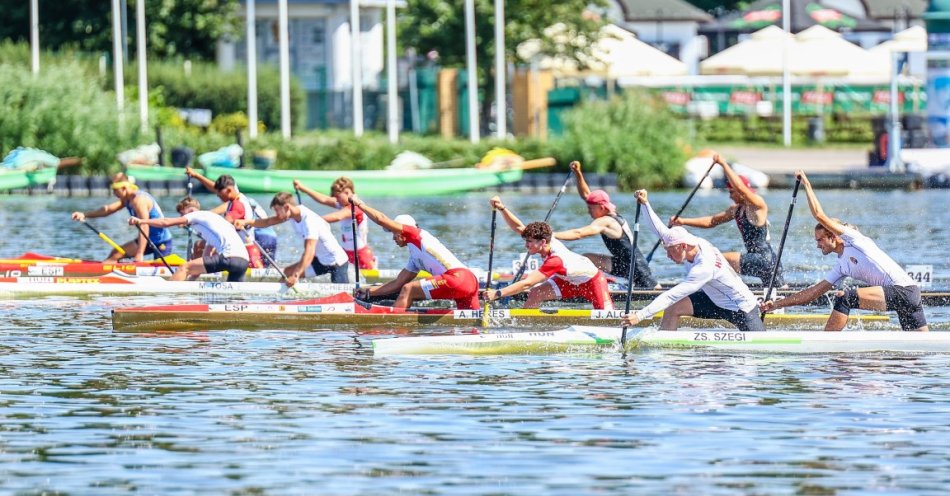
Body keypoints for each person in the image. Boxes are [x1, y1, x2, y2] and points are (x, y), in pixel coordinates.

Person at [761, 171, 928, 332]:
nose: (818, 245)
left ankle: (826, 345)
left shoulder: (854, 239)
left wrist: (807, 184)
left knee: (845, 297)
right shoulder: (841, 266)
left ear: (833, 236)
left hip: (903, 291)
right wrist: (776, 304)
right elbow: (812, 293)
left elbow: (819, 215)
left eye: (820, 240)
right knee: (917, 356)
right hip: (908, 296)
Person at [621, 190, 764, 332]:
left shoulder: (703, 266)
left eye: (669, 250)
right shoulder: (688, 243)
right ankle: (666, 348)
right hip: (713, 299)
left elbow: (671, 295)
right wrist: (645, 203)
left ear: (682, 246)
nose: (668, 256)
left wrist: (640, 316)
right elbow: (658, 229)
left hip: (741, 307)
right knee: (673, 307)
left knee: (760, 348)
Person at [482, 196, 614, 310]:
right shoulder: (545, 241)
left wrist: (498, 293)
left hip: (592, 281)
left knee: (608, 316)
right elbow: (519, 227)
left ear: (543, 242)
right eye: (526, 240)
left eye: (529, 242)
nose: (526, 245)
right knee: (536, 293)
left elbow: (527, 283)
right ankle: (525, 324)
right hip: (567, 280)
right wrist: (501, 208)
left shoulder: (555, 260)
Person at [671, 154, 784, 286]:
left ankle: (719, 289)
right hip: (757, 260)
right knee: (777, 289)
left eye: (731, 192)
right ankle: (726, 289)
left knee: (714, 259)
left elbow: (741, 188)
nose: (730, 196)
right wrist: (683, 221)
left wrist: (723, 164)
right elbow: (711, 221)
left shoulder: (757, 206)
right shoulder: (735, 210)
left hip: (764, 260)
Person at [348, 196, 479, 309]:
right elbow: (397, 284)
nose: (393, 237)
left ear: (402, 230)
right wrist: (369, 291)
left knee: (409, 289)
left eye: (394, 232)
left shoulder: (417, 235)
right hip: (469, 281)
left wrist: (360, 205)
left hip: (457, 278)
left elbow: (381, 219)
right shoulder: (414, 257)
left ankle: (394, 326)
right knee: (471, 322)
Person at [553, 161, 658, 288]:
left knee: (585, 259)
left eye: (591, 208)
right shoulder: (608, 213)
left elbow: (578, 234)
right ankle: (580, 284)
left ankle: (585, 285)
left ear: (602, 207)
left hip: (638, 272)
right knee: (587, 258)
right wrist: (578, 173)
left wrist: (551, 235)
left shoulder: (607, 222)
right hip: (623, 264)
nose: (588, 211)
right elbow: (587, 195)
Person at [235, 192, 349, 286]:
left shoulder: (309, 221)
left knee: (343, 298)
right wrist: (245, 222)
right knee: (287, 273)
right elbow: (267, 221)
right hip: (320, 261)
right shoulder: (292, 214)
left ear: (287, 207)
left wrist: (296, 275)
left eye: (277, 211)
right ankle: (276, 301)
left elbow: (309, 252)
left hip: (336, 262)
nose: (277, 215)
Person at [129, 197, 249, 282]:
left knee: (184, 267)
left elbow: (166, 222)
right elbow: (204, 260)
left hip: (229, 257)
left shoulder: (196, 215)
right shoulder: (213, 222)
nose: (182, 218)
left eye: (182, 214)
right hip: (243, 261)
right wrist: (189, 283)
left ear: (190, 211)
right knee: (233, 297)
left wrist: (141, 221)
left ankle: (165, 298)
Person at [70, 172, 173, 262]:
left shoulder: (139, 200)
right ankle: (101, 277)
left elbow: (144, 226)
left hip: (161, 241)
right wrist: (84, 215)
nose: (114, 193)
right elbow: (107, 210)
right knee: (116, 254)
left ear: (124, 188)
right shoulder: (126, 199)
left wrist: (140, 253)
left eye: (115, 190)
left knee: (160, 269)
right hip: (147, 239)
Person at [185, 167, 276, 265]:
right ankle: (198, 270)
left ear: (229, 190)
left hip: (261, 236)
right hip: (251, 238)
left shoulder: (237, 205)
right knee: (201, 245)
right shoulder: (233, 196)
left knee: (203, 246)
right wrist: (196, 175)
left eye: (219, 194)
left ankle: (196, 270)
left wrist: (193, 220)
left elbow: (222, 226)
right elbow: (216, 188)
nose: (217, 195)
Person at [293, 177, 378, 270]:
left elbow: (337, 216)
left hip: (361, 254)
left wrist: (311, 221)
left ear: (347, 192)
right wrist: (302, 188)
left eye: (337, 197)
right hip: (346, 252)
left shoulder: (356, 206)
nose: (336, 200)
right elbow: (323, 199)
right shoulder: (343, 203)